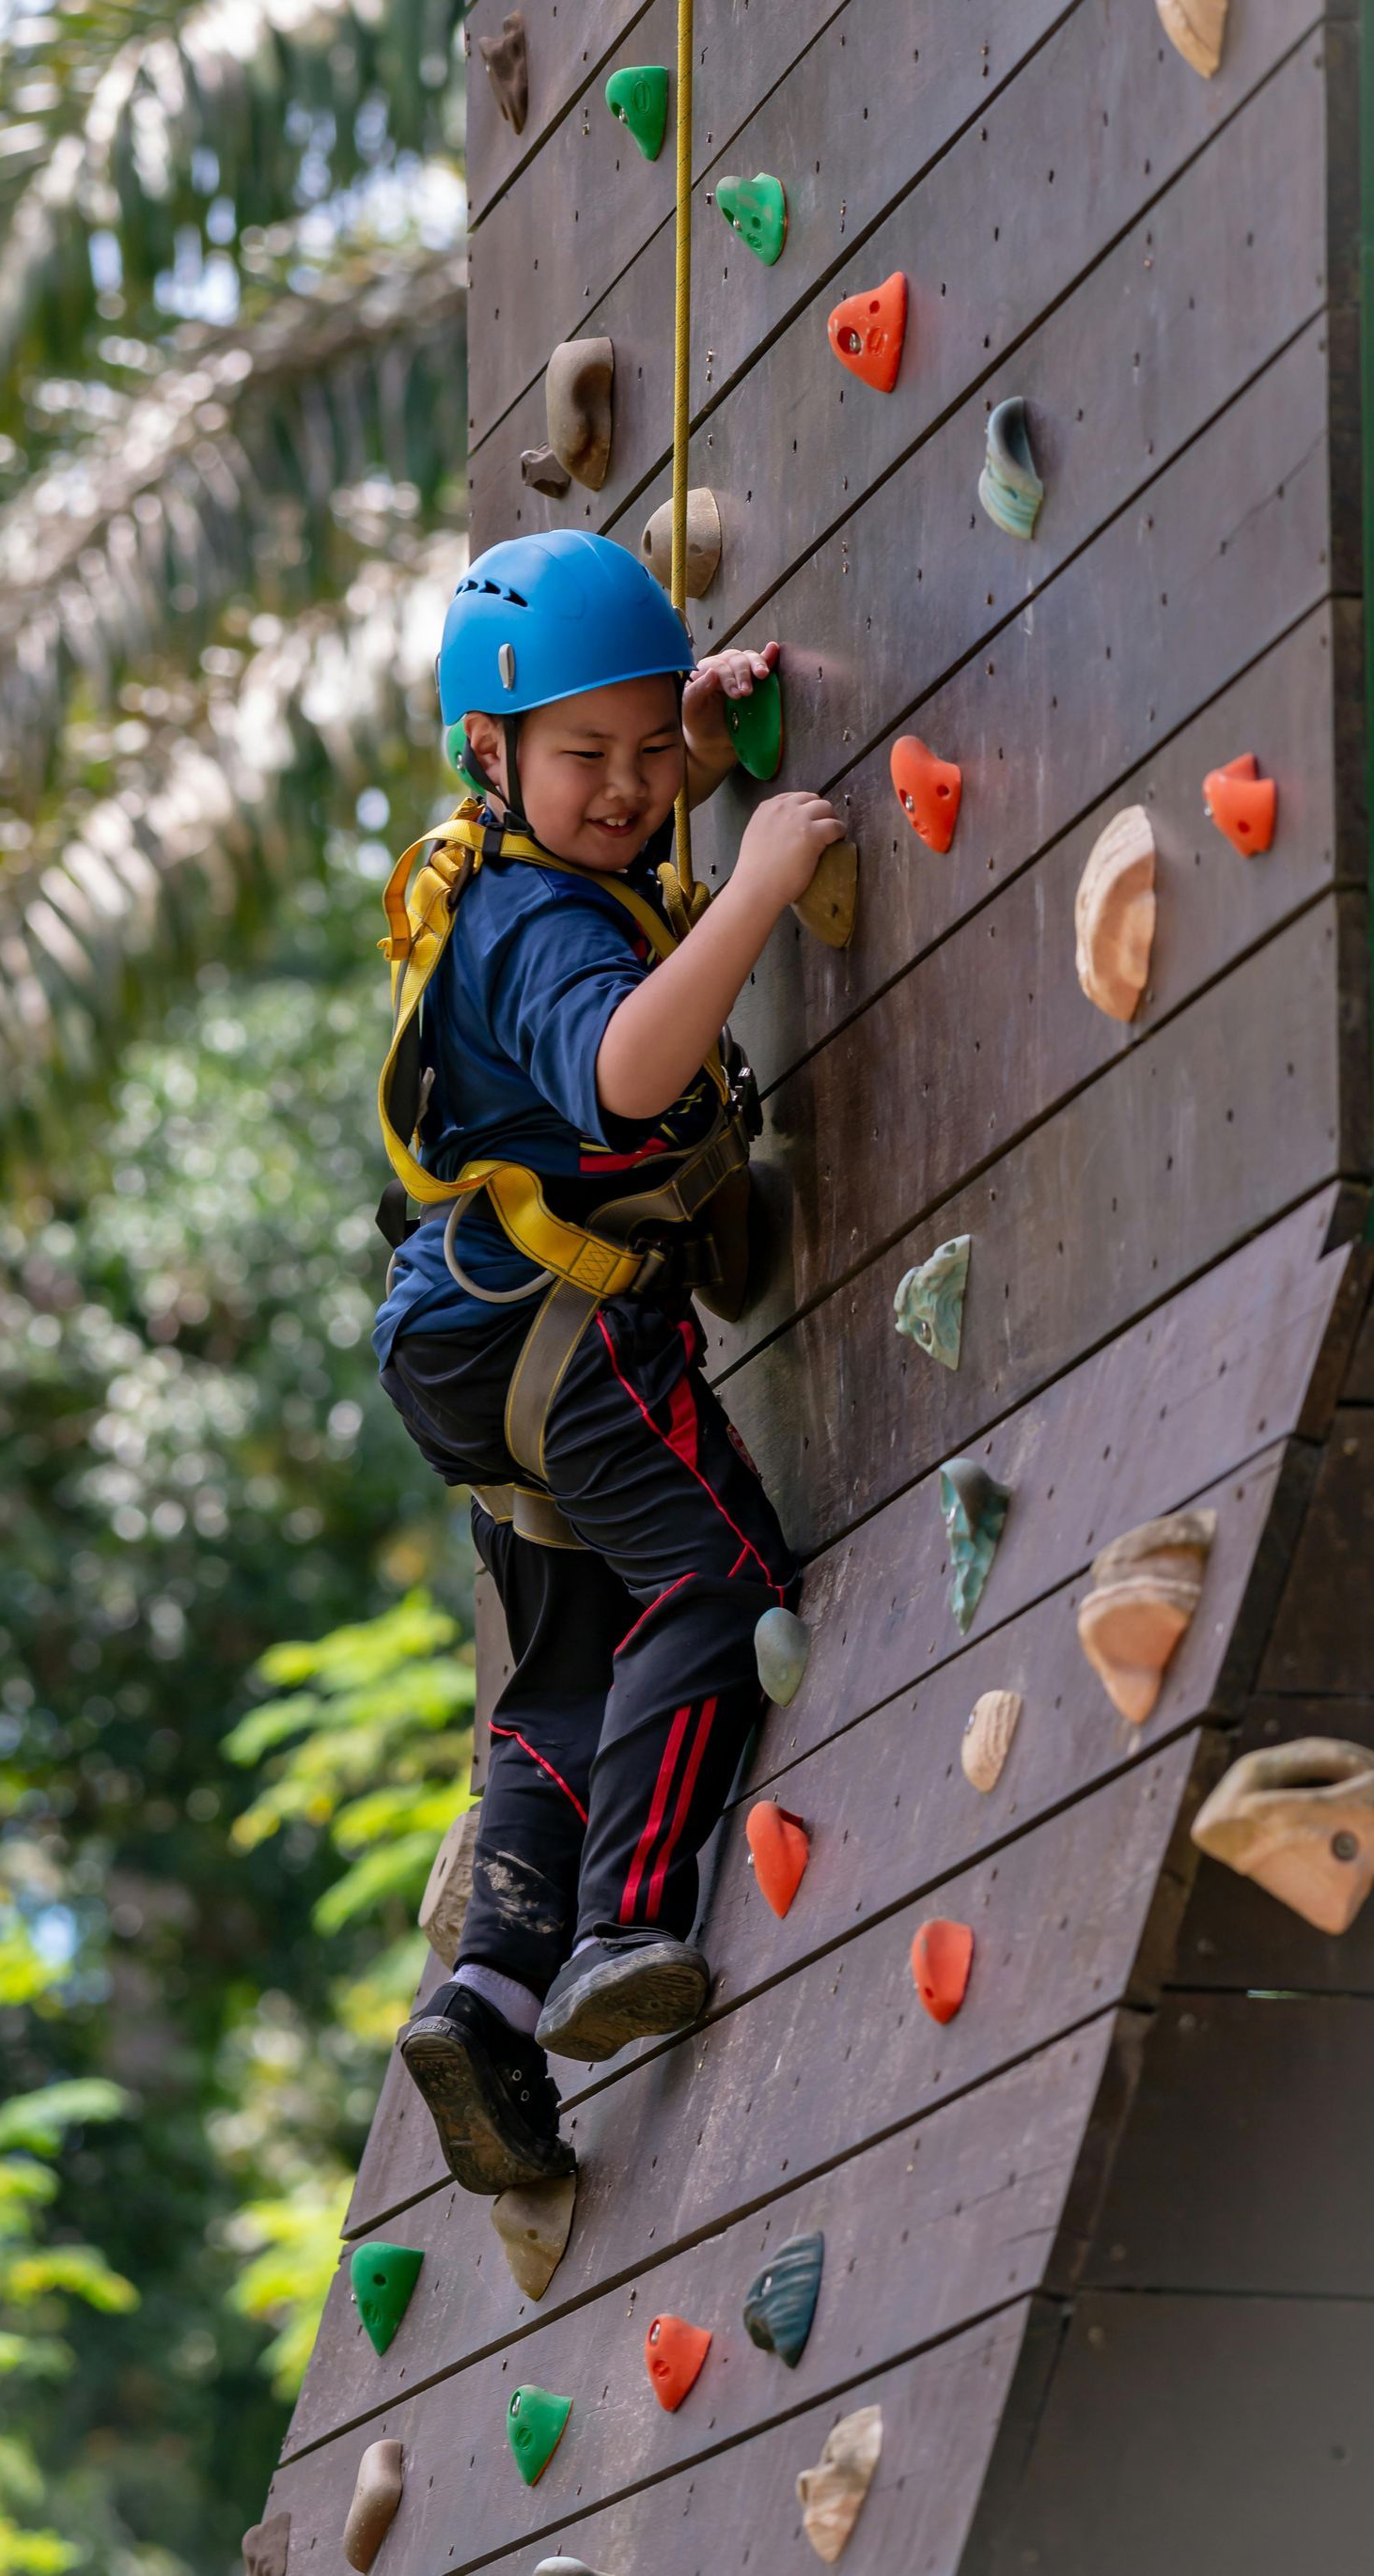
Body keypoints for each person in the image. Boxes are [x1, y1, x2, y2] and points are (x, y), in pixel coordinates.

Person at [373, 530, 843, 2194]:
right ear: (489, 757)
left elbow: (629, 848)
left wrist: (700, 747)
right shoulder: (538, 925)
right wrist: (769, 881)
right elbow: (629, 1071)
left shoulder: (509, 875)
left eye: (652, 752)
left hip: (468, 1345)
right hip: (562, 1339)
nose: (630, 790)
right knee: (716, 1580)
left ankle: (488, 1996)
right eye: (588, 756)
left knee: (562, 1675)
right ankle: (620, 1919)